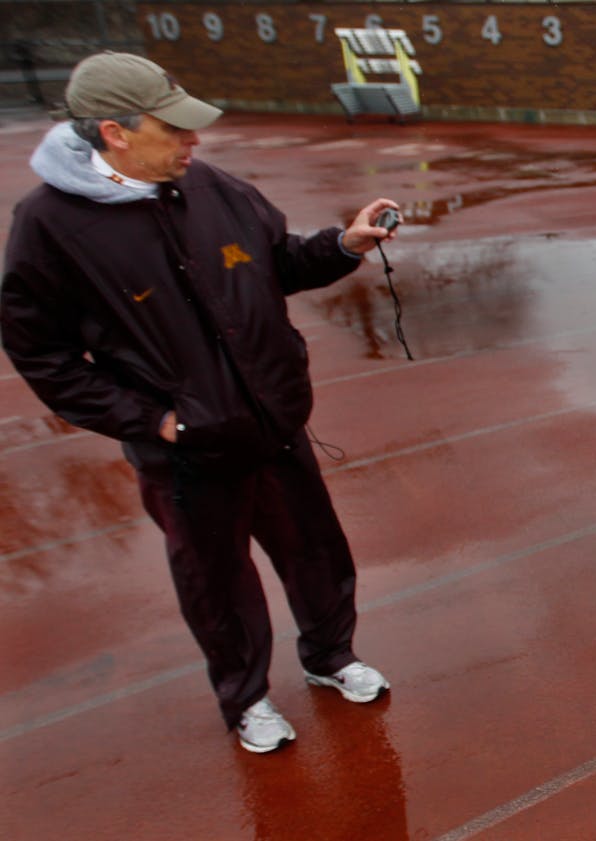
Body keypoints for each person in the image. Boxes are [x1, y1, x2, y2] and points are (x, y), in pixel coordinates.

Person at [1, 52, 402, 753]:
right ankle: (246, 698)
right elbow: (42, 353)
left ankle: (330, 656)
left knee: (316, 552)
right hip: (186, 451)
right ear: (113, 133)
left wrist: (343, 244)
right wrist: (153, 421)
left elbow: (275, 261)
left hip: (274, 423)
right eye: (174, 129)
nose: (194, 142)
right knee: (216, 584)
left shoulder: (212, 186)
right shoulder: (48, 225)